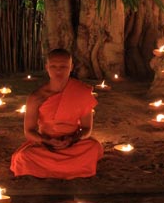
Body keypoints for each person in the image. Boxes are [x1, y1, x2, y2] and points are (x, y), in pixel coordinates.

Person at [10, 48, 103, 179]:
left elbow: (87, 129)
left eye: (63, 66)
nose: (58, 70)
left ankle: (53, 167)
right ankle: (72, 167)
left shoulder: (81, 92)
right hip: (47, 144)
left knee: (94, 147)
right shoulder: (36, 97)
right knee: (24, 156)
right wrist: (47, 140)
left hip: (73, 143)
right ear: (47, 67)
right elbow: (29, 131)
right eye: (53, 66)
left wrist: (72, 139)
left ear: (71, 67)